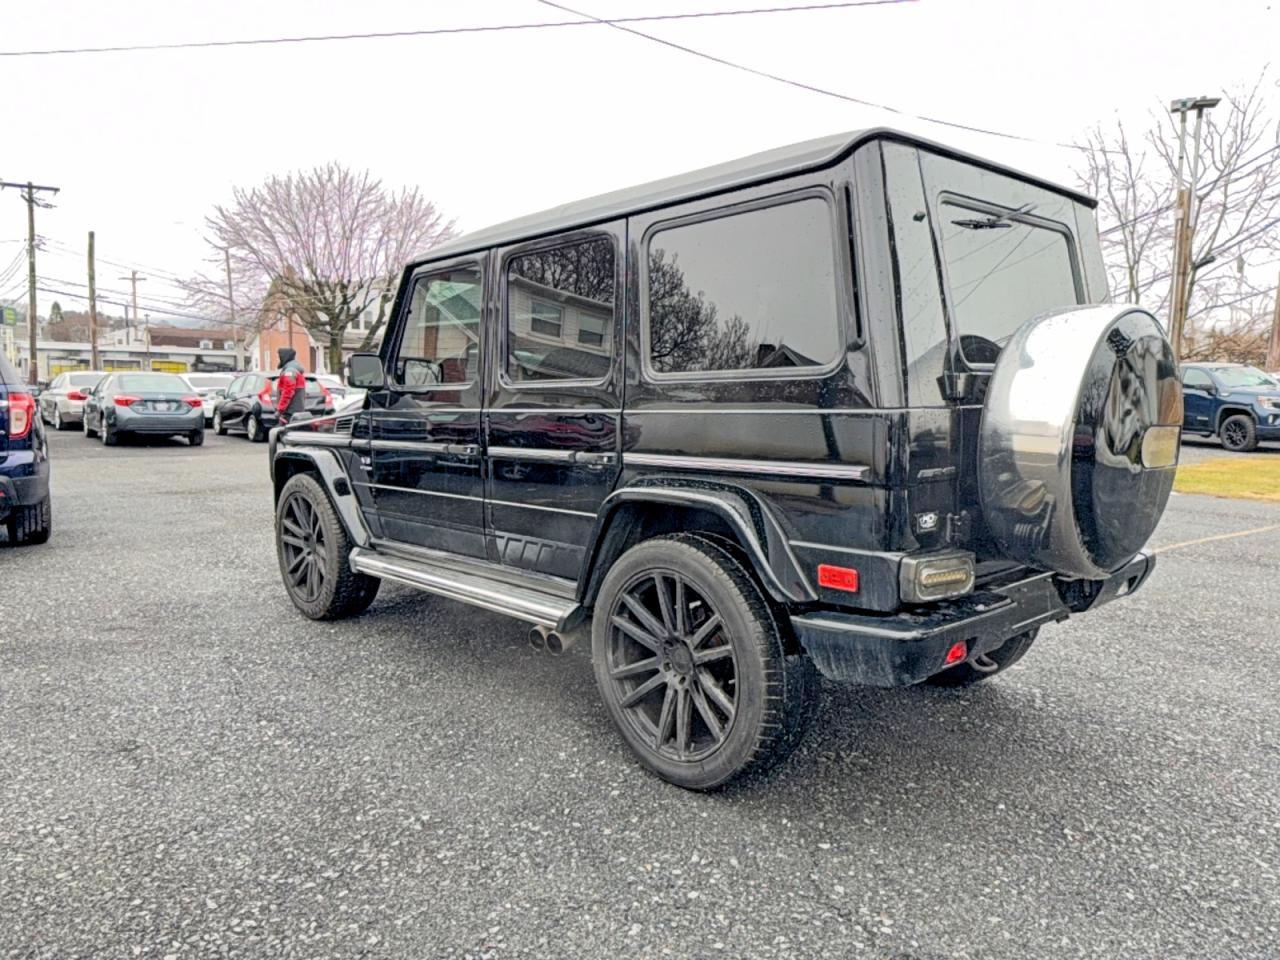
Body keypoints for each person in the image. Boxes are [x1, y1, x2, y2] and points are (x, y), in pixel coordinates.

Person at [275, 346, 307, 425]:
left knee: (283, 435)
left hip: (290, 413)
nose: (279, 359)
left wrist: (280, 410)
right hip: (294, 412)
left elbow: (288, 392)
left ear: (284, 357)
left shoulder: (289, 372)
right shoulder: (294, 370)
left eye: (280, 357)